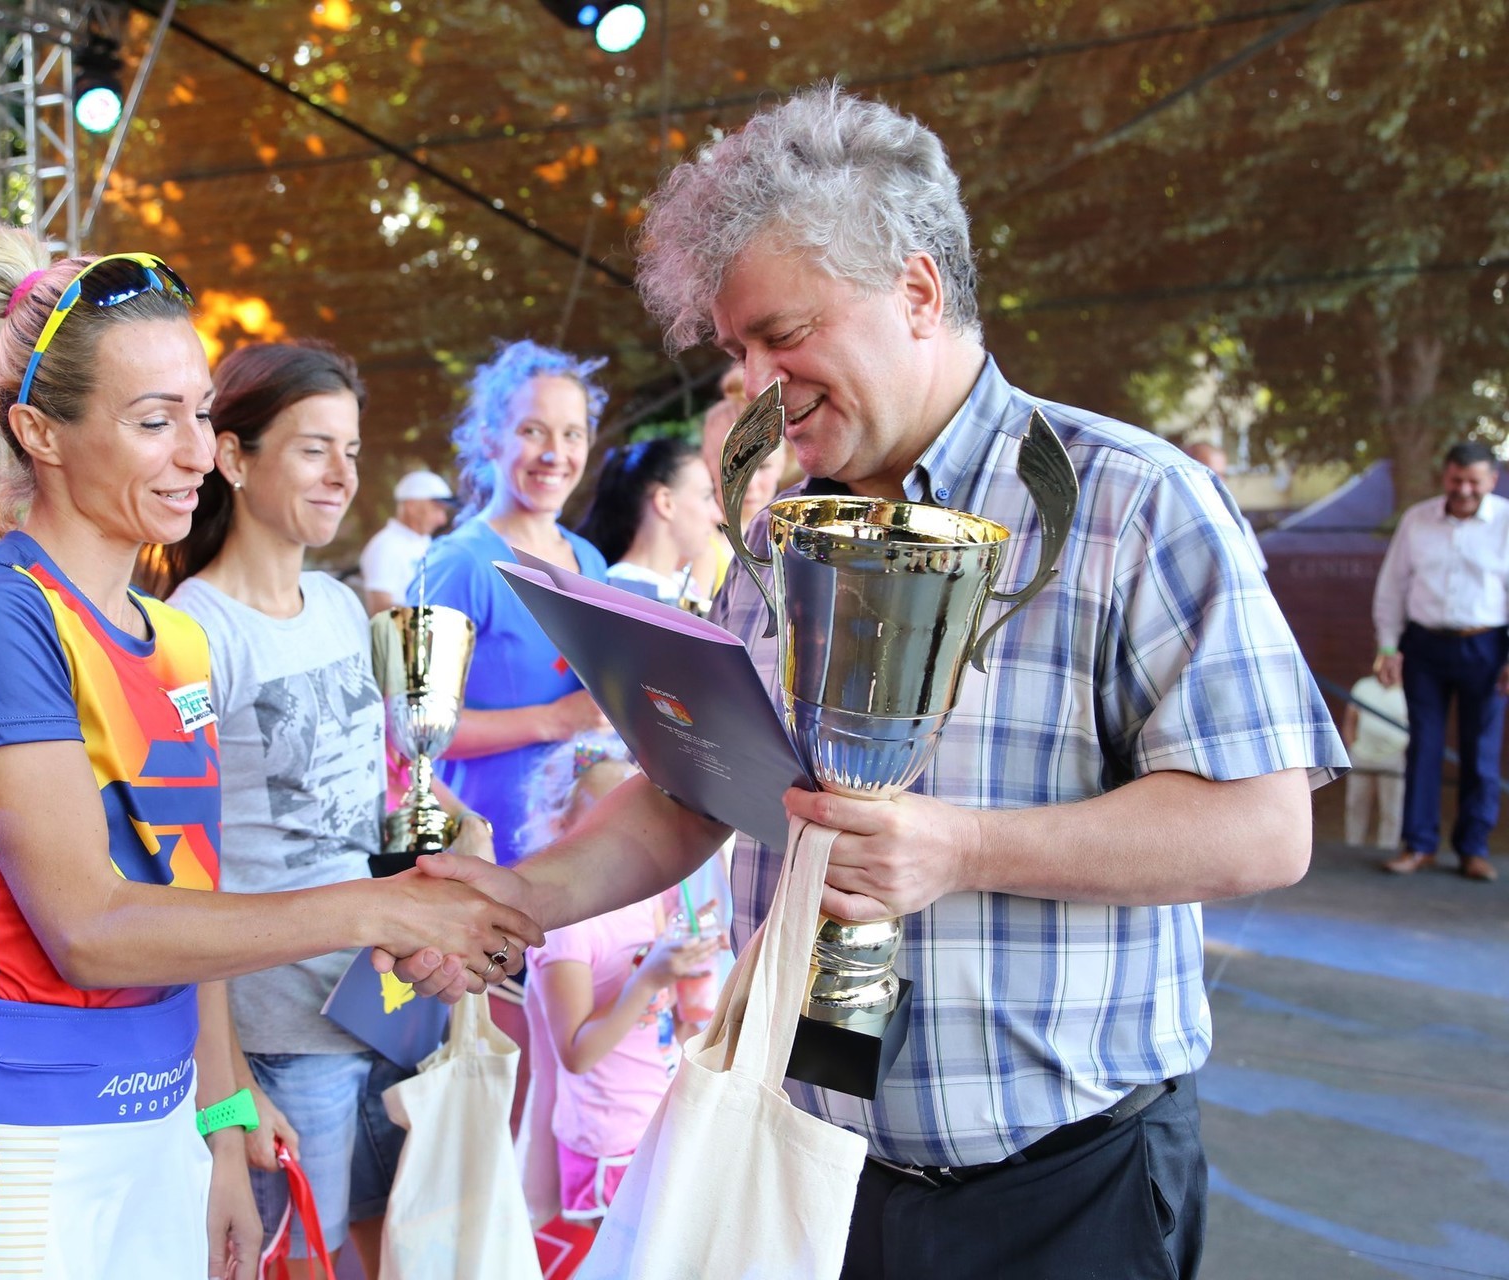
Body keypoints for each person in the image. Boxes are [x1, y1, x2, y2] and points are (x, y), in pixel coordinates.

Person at [381, 86, 1345, 1280]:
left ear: (919, 291)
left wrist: (965, 846)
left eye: (783, 335)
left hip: (1063, 1192)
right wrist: (516, 898)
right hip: (806, 1176)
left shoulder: (1134, 500)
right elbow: (694, 796)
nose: (758, 381)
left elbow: (1265, 826)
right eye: (737, 352)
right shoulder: (780, 531)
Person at [0, 230, 540, 1280]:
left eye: (201, 414)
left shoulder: (176, 638)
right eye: (154, 420)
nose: (199, 455)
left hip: (161, 1127)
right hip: (25, 1146)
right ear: (40, 432)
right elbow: (91, 929)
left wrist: (217, 1123)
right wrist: (380, 909)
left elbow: (187, 906)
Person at [159, 342, 496, 1279]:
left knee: (404, 1248)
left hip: (386, 1001)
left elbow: (383, 779)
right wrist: (228, 1096)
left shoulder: (342, 608)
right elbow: (186, 887)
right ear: (234, 457)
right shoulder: (192, 630)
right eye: (314, 449)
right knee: (312, 1261)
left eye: (350, 450)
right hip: (281, 1039)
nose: (343, 475)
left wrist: (460, 825)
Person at [519, 733, 721, 1225]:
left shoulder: (648, 897)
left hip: (655, 1114)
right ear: (561, 827)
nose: (630, 831)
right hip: (606, 1137)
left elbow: (668, 1016)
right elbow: (577, 1053)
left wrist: (683, 959)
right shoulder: (564, 929)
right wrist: (649, 979)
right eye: (606, 817)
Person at [425, 339, 613, 867]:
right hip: (490, 847)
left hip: (584, 847)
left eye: (572, 434)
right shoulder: (459, 563)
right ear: (490, 438)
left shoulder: (590, 559)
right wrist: (554, 719)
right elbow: (415, 733)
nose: (555, 454)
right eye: (532, 431)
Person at [1371, 440, 1509, 883]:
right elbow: (1392, 587)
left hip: (1487, 648)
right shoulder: (1417, 520)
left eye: (1474, 481)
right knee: (1424, 746)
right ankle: (1418, 845)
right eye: (1456, 479)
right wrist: (1388, 647)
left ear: (1492, 480)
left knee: (1481, 751)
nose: (1464, 489)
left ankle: (1473, 848)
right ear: (1444, 476)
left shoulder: (1506, 522)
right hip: (1424, 646)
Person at [573, 436, 722, 608]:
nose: (717, 515)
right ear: (666, 503)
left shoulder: (678, 588)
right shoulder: (623, 593)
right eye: (706, 497)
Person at [686, 384, 788, 605]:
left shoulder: (793, 544)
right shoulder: (703, 550)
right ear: (708, 465)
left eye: (763, 467)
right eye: (734, 468)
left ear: (782, 464)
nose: (750, 484)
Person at [359, 469, 455, 614]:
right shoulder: (385, 547)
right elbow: (379, 610)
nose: (442, 520)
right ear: (411, 506)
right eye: (436, 509)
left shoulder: (424, 542)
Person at [1340, 674, 1408, 850]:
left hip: (1394, 757)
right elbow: (1350, 719)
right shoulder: (1363, 686)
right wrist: (1352, 746)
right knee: (1355, 804)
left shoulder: (1411, 688)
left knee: (1392, 809)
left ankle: (1388, 849)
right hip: (1361, 756)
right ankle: (1352, 847)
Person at [1181, 439, 1267, 572]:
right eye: (1211, 473)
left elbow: (1255, 574)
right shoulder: (1167, 518)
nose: (1219, 482)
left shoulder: (1237, 524)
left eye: (1222, 474)